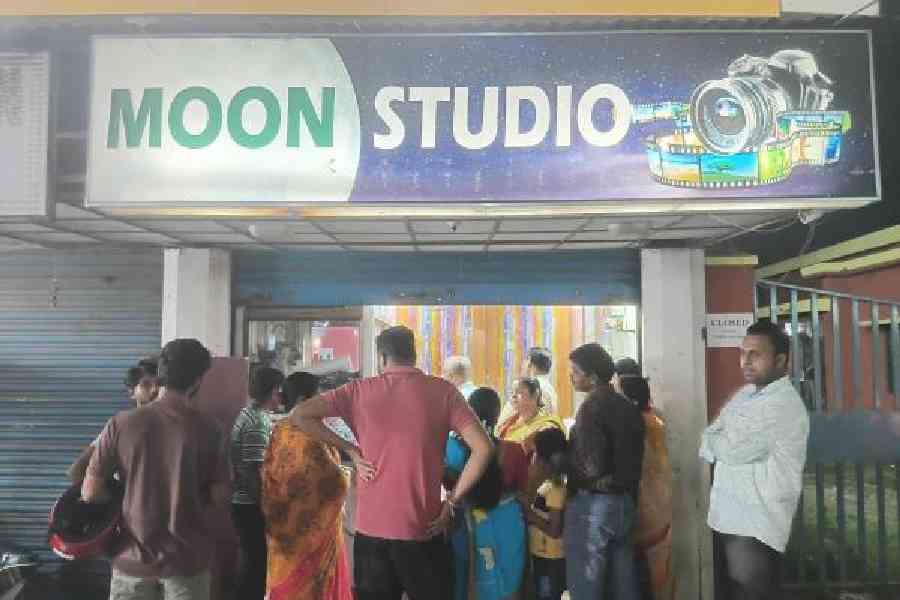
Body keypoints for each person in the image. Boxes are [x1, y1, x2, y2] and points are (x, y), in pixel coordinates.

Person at [289, 325, 493, 600]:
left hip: (371, 532)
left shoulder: (358, 391)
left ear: (382, 357)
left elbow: (300, 414)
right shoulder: (443, 392)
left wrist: (352, 449)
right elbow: (483, 449)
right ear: (413, 354)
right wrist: (453, 502)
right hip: (423, 527)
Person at [81, 339, 229, 600]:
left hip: (131, 562)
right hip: (187, 562)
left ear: (161, 375)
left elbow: (90, 493)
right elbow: (220, 497)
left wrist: (127, 500)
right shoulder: (211, 429)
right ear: (198, 380)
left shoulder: (121, 424)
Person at [700, 320, 810, 600]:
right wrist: (717, 440)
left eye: (755, 354)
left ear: (781, 360)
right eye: (743, 353)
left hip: (755, 522)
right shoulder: (745, 394)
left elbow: (731, 450)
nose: (745, 361)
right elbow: (710, 435)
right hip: (728, 515)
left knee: (753, 593)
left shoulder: (782, 405)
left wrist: (718, 442)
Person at [261, 371, 352, 600]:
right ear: (304, 400)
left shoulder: (281, 429)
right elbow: (334, 484)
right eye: (318, 399)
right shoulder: (308, 436)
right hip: (310, 536)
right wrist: (347, 473)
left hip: (284, 530)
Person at [565, 343, 644, 600]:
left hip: (595, 506)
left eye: (575, 372)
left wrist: (563, 457)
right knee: (624, 585)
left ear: (593, 377)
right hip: (625, 503)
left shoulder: (591, 408)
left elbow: (591, 466)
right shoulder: (626, 405)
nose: (571, 377)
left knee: (587, 585)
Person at [444, 407, 527, 600]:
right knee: (509, 578)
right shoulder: (514, 451)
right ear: (497, 416)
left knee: (465, 577)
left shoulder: (451, 449)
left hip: (464, 525)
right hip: (509, 525)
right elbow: (525, 491)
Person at [614, 359, 674, 600]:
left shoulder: (634, 425)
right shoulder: (657, 419)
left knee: (643, 580)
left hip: (643, 513)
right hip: (661, 509)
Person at [231, 366, 284, 600]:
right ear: (272, 392)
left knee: (251, 563)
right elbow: (253, 470)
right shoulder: (258, 423)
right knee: (256, 566)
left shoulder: (248, 413)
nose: (281, 397)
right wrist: (265, 507)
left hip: (242, 501)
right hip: (248, 503)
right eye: (279, 392)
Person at [67, 358, 160, 483]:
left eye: (159, 385)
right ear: (132, 392)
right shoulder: (121, 427)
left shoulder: (173, 425)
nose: (155, 390)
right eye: (146, 384)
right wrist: (118, 496)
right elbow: (76, 471)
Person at [520, 428, 568, 600]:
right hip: (544, 554)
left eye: (534, 454)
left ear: (542, 459)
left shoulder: (555, 488)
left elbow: (555, 530)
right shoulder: (551, 484)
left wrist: (529, 515)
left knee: (547, 595)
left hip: (550, 558)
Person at [468, 387, 529, 494]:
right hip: (508, 509)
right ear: (497, 417)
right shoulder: (514, 450)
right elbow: (523, 490)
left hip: (464, 509)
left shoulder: (453, 448)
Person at [497, 378, 563, 454]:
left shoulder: (547, 424)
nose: (513, 396)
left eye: (519, 392)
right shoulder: (510, 421)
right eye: (512, 392)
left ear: (535, 395)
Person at [499, 348, 558, 424]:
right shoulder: (550, 389)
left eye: (524, 361)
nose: (522, 365)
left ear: (529, 362)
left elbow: (505, 418)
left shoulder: (528, 387)